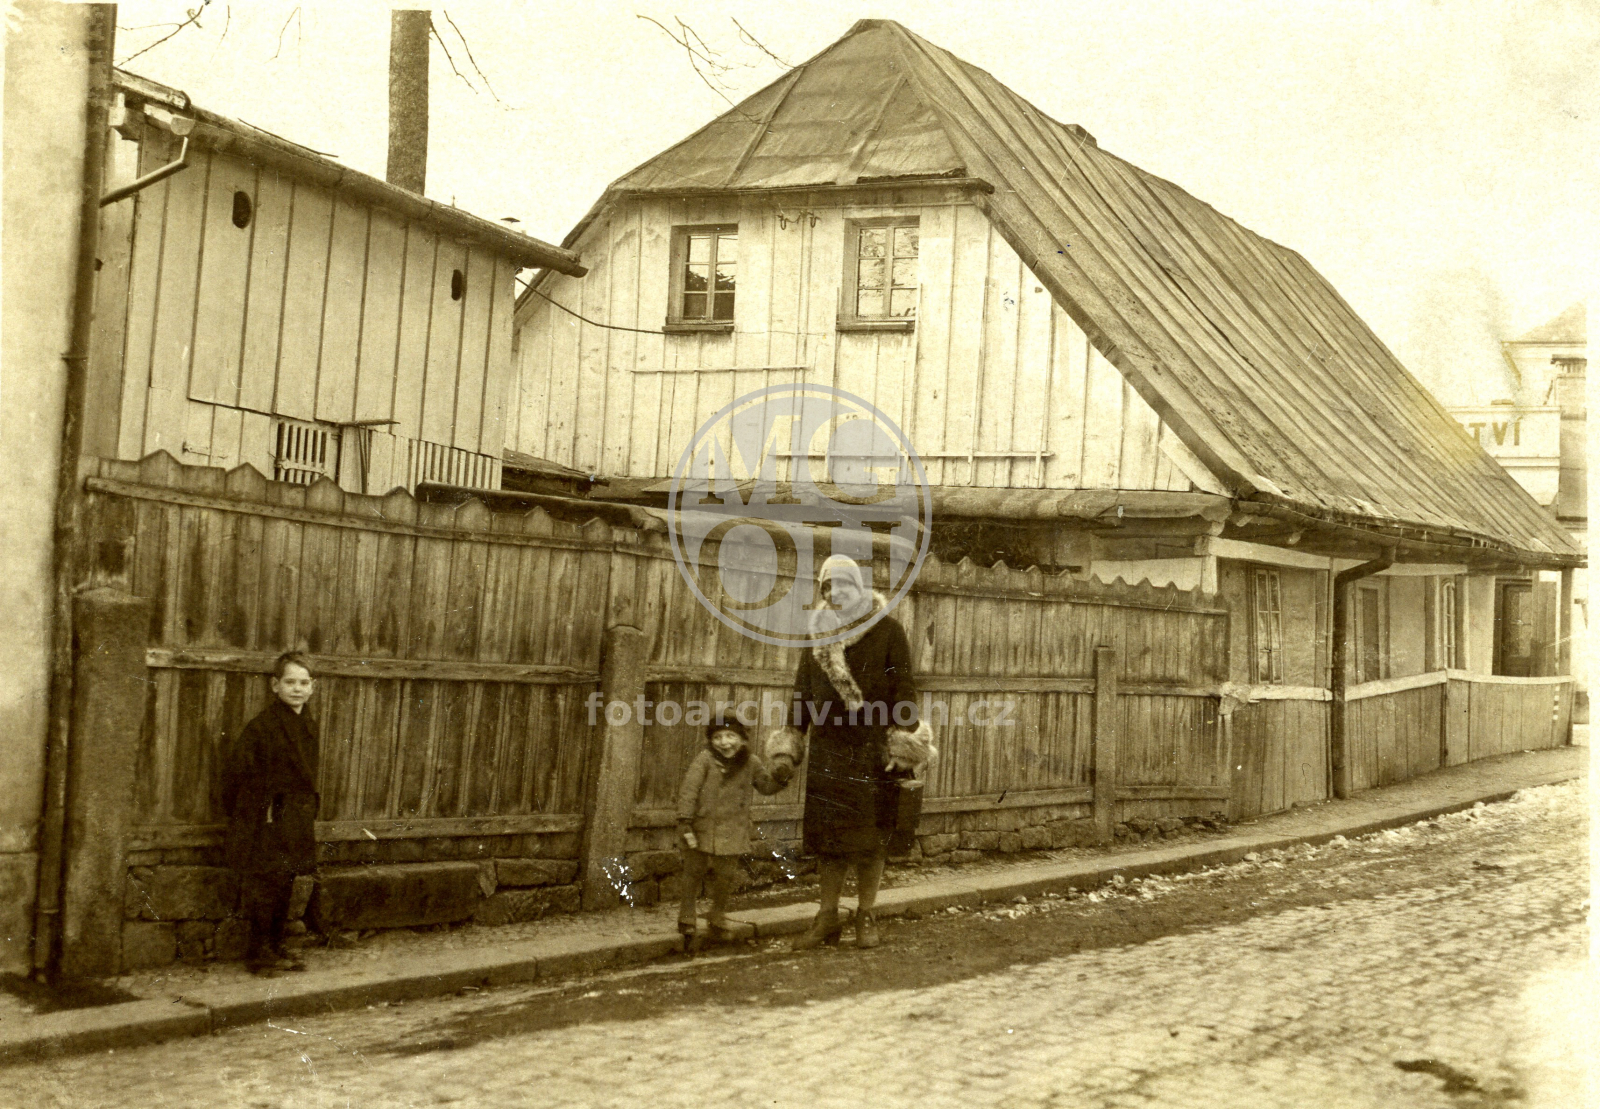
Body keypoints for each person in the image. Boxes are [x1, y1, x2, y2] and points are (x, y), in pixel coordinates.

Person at [768, 555, 935, 950]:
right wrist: (789, 746)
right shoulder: (816, 637)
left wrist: (904, 743)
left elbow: (904, 691)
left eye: (842, 584)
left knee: (870, 843)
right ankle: (827, 918)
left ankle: (865, 915)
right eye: (827, 586)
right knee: (829, 843)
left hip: (872, 751)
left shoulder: (888, 631)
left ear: (858, 588)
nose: (834, 592)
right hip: (828, 752)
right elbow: (802, 695)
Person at [222, 651, 321, 975]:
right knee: (266, 885)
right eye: (290, 682)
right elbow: (237, 775)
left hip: (294, 817)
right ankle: (259, 954)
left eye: (303, 683)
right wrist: (256, 810)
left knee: (286, 881)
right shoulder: (262, 727)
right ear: (275, 685)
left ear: (312, 687)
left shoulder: (307, 724)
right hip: (267, 817)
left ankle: (277, 946)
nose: (297, 689)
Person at [676, 715, 785, 951]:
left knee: (725, 875)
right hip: (702, 825)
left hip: (733, 828)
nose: (724, 743)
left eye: (730, 736)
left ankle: (717, 916)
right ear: (711, 740)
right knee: (693, 871)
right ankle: (687, 918)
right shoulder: (705, 759)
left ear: (742, 739)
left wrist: (781, 777)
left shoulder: (751, 762)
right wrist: (685, 820)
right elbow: (689, 790)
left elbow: (766, 786)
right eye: (717, 737)